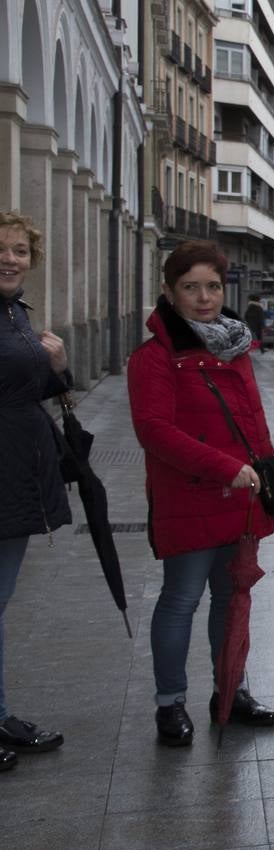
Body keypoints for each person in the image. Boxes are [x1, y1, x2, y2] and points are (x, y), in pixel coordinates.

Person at [128, 241, 274, 747]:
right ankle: (170, 704)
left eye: (212, 286)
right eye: (190, 287)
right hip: (191, 494)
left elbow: (252, 418)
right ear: (170, 293)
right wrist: (224, 468)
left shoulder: (234, 345)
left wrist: (269, 470)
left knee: (231, 599)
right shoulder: (154, 358)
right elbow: (154, 431)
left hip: (242, 495)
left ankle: (231, 690)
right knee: (181, 599)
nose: (204, 297)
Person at [0, 211, 69, 771]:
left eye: (19, 250)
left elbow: (34, 387)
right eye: (0, 249)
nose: (9, 258)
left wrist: (58, 367)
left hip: (18, 476)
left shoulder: (17, 315)